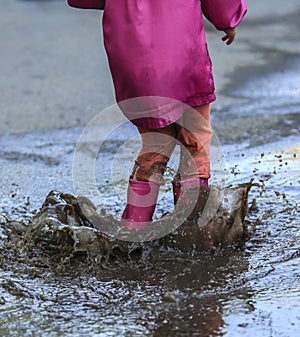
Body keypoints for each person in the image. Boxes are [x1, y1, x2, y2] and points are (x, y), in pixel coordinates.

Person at [100, 0, 247, 230]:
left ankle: (132, 231)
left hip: (132, 53)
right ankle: (189, 232)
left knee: (154, 147)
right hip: (180, 51)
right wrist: (228, 19)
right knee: (195, 141)